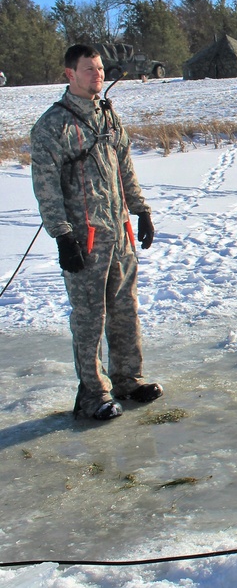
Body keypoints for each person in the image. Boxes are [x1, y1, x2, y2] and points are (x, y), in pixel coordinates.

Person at [30, 44, 163, 421]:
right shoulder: (53, 125)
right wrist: (62, 235)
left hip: (118, 232)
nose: (98, 75)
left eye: (100, 69)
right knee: (90, 318)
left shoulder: (108, 116)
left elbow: (125, 168)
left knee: (125, 311)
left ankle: (128, 380)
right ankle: (93, 393)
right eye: (89, 70)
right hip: (84, 238)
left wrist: (141, 212)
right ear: (70, 74)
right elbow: (46, 186)